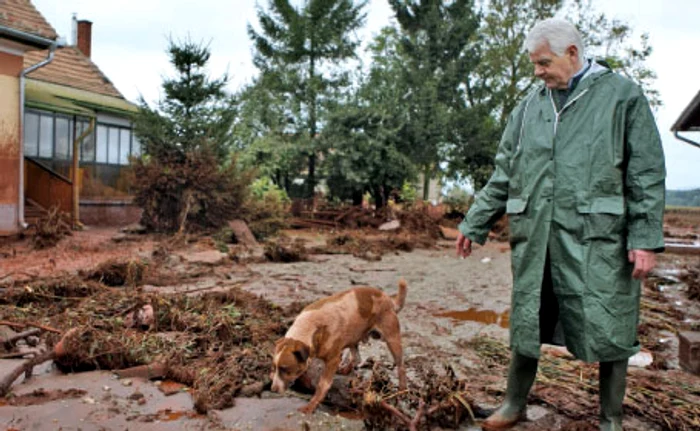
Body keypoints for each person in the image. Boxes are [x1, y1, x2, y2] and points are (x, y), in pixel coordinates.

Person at [456, 18, 665, 431]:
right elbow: (504, 173)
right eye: (534, 63)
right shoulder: (529, 107)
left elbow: (645, 172)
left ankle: (611, 420)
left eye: (543, 62)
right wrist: (474, 222)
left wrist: (644, 238)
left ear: (572, 53)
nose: (537, 72)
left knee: (611, 322)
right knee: (528, 313)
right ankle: (513, 405)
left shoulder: (622, 98)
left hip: (599, 237)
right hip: (537, 235)